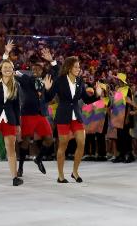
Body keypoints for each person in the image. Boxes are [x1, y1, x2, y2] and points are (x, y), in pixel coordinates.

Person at [43, 55, 101, 183]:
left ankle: (75, 172)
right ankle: (60, 175)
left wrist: (97, 95)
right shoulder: (59, 80)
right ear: (69, 67)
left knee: (81, 142)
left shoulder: (80, 81)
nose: (78, 69)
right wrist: (46, 89)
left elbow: (86, 100)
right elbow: (48, 97)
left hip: (76, 116)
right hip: (63, 116)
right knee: (63, 145)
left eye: (79, 67)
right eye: (76, 67)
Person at [17, 49, 57, 177]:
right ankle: (20, 167)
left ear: (42, 70)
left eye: (38, 68)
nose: (35, 70)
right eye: (33, 68)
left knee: (49, 139)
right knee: (26, 140)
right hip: (28, 113)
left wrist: (52, 61)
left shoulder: (46, 80)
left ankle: (38, 158)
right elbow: (12, 72)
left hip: (41, 114)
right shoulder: (25, 79)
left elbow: (57, 73)